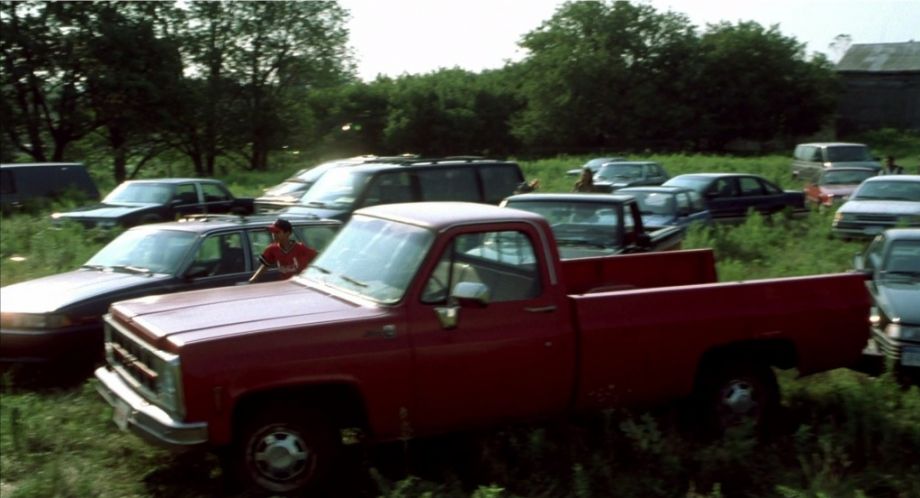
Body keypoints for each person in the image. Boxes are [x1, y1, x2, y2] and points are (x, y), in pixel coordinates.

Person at [249, 218, 317, 283]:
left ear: (287, 233)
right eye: (273, 232)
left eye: (277, 232)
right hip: (284, 284)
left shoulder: (301, 249)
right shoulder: (272, 249)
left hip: (300, 284)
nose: (274, 235)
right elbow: (265, 266)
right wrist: (253, 279)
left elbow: (318, 260)